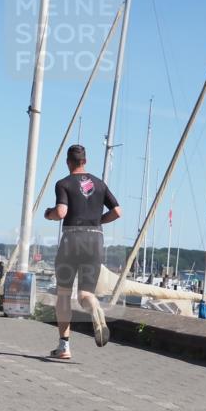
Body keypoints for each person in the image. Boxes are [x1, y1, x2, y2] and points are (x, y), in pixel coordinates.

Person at [44, 144, 121, 360]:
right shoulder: (99, 183)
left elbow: (61, 212)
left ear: (68, 162)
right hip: (95, 238)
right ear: (85, 161)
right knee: (86, 294)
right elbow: (117, 211)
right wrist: (98, 221)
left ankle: (64, 346)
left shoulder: (64, 183)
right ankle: (95, 309)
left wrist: (48, 214)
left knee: (64, 294)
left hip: (72, 239)